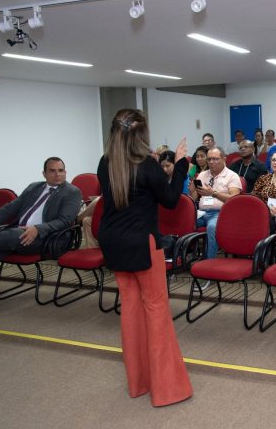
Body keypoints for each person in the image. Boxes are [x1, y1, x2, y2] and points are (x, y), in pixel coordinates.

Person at [96, 109, 192, 407]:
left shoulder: (105, 163)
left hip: (112, 241)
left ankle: (138, 383)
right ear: (141, 135)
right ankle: (167, 388)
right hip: (142, 243)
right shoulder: (147, 165)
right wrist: (181, 164)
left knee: (131, 311)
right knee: (156, 312)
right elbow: (171, 200)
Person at [0, 157, 81, 321]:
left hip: (45, 238)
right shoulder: (34, 187)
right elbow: (8, 209)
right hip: (15, 235)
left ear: (65, 172)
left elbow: (64, 220)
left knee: (9, 235)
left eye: (61, 170)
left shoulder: (72, 192)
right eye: (52, 171)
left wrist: (37, 229)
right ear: (44, 173)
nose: (57, 174)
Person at [189, 147, 242, 259]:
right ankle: (185, 257)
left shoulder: (232, 176)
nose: (211, 162)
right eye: (209, 159)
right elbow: (194, 198)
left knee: (212, 227)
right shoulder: (203, 175)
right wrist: (192, 190)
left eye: (215, 159)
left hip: (221, 213)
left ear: (224, 159)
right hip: (202, 212)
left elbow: (235, 201)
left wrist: (213, 193)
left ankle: (210, 261)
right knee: (184, 221)